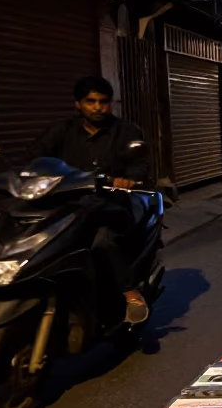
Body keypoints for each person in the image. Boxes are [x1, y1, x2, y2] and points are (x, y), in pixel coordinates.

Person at [33, 76, 152, 323]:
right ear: (78, 104)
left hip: (113, 204)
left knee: (102, 241)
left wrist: (128, 179)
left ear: (111, 103)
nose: (97, 107)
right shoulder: (60, 131)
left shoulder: (127, 131)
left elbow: (140, 164)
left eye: (103, 102)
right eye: (90, 101)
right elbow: (36, 160)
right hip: (68, 203)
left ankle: (130, 293)